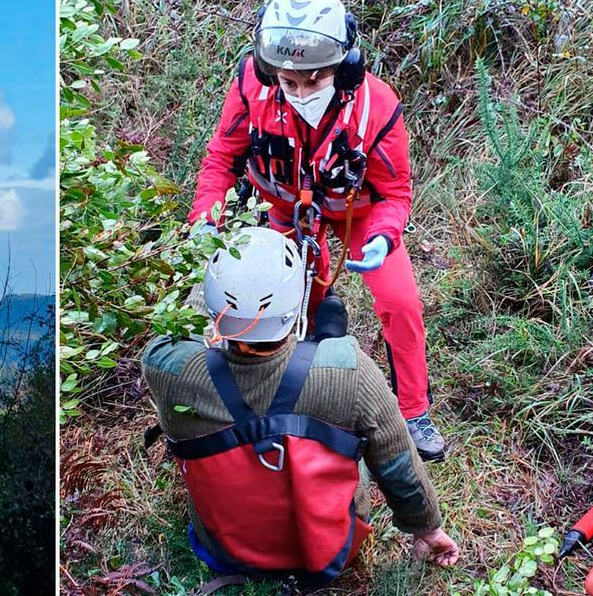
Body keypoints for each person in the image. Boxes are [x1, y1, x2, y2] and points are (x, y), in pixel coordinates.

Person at [188, 0, 446, 460]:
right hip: (285, 207)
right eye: (289, 81)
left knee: (400, 301)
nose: (302, 90)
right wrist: (207, 217)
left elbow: (395, 192)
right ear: (271, 72)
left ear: (343, 69)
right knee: (281, 301)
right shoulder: (251, 88)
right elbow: (221, 160)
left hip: (358, 213)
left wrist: (386, 238)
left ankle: (413, 413)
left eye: (315, 80)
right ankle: (289, 390)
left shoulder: (376, 106)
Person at [141, 227, 459, 587]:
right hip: (330, 552)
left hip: (222, 550)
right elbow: (398, 463)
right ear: (295, 304)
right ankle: (319, 344)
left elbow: (178, 328)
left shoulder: (166, 367)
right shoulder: (351, 372)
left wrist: (215, 276)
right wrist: (428, 529)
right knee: (357, 429)